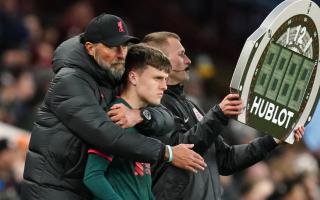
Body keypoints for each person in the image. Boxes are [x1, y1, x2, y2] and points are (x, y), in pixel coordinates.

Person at [20, 14, 206, 200]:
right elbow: (105, 133)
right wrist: (167, 152)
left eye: (124, 46)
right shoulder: (70, 81)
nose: (121, 54)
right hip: (50, 189)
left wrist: (141, 115)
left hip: (78, 190)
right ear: (90, 48)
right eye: (112, 46)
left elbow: (165, 118)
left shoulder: (112, 73)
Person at [140, 31, 305, 200]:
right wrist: (218, 114)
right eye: (181, 54)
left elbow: (226, 159)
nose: (188, 60)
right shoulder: (153, 106)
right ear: (161, 60)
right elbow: (184, 150)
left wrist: (272, 140)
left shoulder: (190, 106)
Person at [84, 44, 173, 200]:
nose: (164, 86)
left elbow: (141, 184)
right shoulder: (116, 116)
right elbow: (93, 176)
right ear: (133, 77)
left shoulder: (142, 120)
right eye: (157, 78)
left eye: (165, 79)